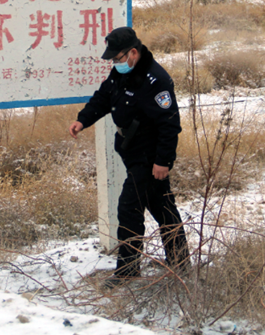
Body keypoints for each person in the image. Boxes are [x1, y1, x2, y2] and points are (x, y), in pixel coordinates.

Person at [68, 27, 189, 287]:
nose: (115, 63)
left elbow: (169, 125)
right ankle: (180, 261)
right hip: (131, 150)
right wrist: (82, 120)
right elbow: (103, 98)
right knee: (161, 206)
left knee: (128, 207)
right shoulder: (121, 73)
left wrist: (163, 161)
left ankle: (128, 269)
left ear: (133, 53)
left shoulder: (156, 80)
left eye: (118, 58)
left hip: (149, 155)